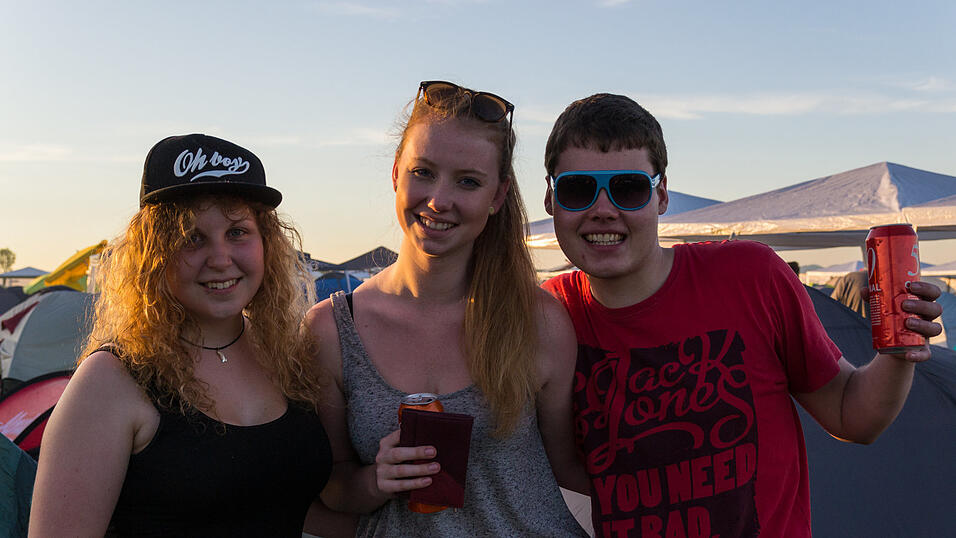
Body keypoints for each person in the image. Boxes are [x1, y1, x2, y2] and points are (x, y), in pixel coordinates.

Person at [539, 94, 944, 538]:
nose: (603, 209)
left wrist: (899, 350)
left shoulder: (750, 275)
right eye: (578, 189)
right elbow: (562, 469)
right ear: (549, 198)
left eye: (628, 188)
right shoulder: (547, 315)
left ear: (661, 196)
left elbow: (853, 417)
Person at [29, 134, 351, 537]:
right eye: (191, 238)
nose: (219, 259)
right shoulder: (110, 382)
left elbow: (282, 505)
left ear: (267, 242)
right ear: (153, 255)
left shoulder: (285, 357)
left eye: (237, 232)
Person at [306, 80, 589, 536]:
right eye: (423, 172)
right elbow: (332, 487)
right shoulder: (332, 330)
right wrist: (376, 480)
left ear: (497, 196)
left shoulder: (539, 321)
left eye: (469, 181)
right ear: (396, 172)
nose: (439, 200)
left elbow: (569, 469)